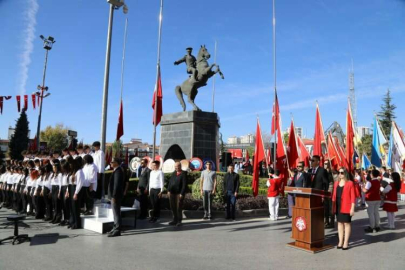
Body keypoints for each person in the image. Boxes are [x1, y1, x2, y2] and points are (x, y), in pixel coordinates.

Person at [332, 168, 355, 250]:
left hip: (347, 206)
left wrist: (352, 208)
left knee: (346, 224)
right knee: (339, 224)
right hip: (338, 206)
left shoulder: (350, 183)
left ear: (345, 173)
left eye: (342, 172)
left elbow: (353, 197)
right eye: (339, 172)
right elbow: (334, 195)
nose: (340, 174)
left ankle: (346, 242)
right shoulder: (336, 183)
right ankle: (340, 241)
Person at [108, 158, 124, 237]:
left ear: (117, 163)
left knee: (116, 212)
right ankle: (115, 227)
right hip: (114, 196)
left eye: (112, 162)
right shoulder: (116, 170)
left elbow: (116, 185)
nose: (110, 163)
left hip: (116, 196)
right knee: (115, 212)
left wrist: (114, 196)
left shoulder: (118, 171)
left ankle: (117, 230)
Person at [167, 162, 187, 226]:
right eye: (175, 166)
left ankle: (179, 220)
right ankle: (174, 220)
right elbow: (170, 182)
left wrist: (182, 193)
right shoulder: (174, 173)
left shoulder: (183, 173)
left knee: (178, 207)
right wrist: (168, 190)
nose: (176, 167)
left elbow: (184, 185)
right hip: (172, 193)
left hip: (179, 193)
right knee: (173, 207)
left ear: (180, 166)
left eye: (177, 166)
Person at [323, 160, 335, 228]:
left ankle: (332, 222)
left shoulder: (332, 172)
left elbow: (334, 183)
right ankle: (326, 221)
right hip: (324, 192)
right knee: (325, 208)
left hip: (331, 192)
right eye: (325, 163)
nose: (326, 165)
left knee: (331, 208)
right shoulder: (323, 172)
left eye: (327, 163)